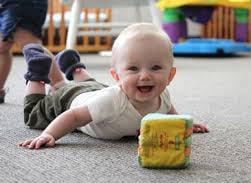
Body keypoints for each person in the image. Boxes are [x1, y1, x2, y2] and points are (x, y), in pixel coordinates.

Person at [19, 23, 208, 149]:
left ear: (170, 75)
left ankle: (74, 68)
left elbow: (168, 111)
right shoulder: (112, 101)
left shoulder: (163, 94)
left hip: (95, 90)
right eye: (133, 68)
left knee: (88, 86)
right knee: (34, 113)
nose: (145, 76)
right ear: (116, 77)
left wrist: (181, 124)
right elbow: (75, 116)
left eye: (156, 67)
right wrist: (49, 134)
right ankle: (37, 73)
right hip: (68, 102)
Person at [0, 0, 64, 103]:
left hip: (22, 5)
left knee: (30, 45)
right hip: (8, 5)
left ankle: (59, 85)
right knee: (2, 46)